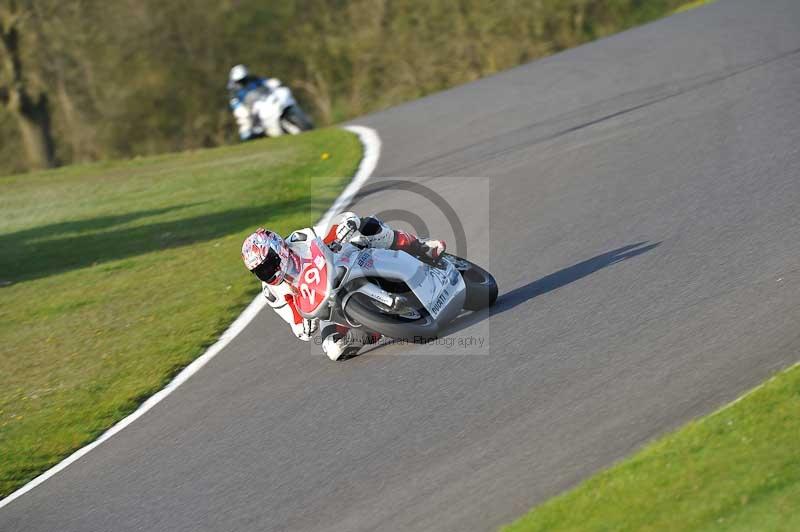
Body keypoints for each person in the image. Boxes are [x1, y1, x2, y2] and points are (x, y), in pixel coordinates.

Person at [241, 212, 446, 361]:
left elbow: (335, 226)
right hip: (329, 305)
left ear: (279, 249)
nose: (268, 272)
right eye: (260, 271)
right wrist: (306, 325)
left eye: (268, 264)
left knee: (367, 227)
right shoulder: (271, 292)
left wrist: (346, 224)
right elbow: (297, 327)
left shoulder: (300, 239)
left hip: (345, 261)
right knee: (334, 349)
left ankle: (421, 246)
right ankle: (372, 328)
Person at [227, 64, 283, 140]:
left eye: (243, 79)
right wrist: (238, 106)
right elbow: (234, 100)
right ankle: (248, 132)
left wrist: (271, 83)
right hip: (247, 106)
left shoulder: (253, 79)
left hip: (262, 100)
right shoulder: (233, 88)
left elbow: (265, 82)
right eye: (240, 80)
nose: (242, 81)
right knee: (243, 115)